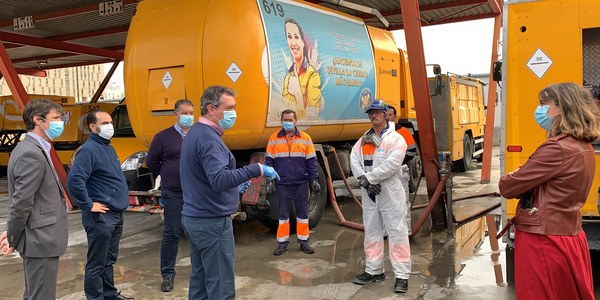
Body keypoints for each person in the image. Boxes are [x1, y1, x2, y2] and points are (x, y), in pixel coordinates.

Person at [498, 82, 600, 300]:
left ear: (562, 108)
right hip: (567, 233)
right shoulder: (583, 145)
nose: (540, 110)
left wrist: (519, 173)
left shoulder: (557, 148)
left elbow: (507, 186)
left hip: (544, 240)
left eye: (544, 104)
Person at [180, 85, 279, 299]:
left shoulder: (196, 132)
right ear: (211, 109)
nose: (234, 112)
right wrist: (257, 168)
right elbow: (218, 179)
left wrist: (234, 188)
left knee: (200, 282)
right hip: (211, 221)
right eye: (230, 107)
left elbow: (205, 178)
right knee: (221, 286)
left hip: (195, 218)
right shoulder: (207, 138)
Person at [0, 99, 68, 300]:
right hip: (41, 240)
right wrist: (12, 236)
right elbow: (21, 202)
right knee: (41, 296)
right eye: (55, 118)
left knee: (35, 294)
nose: (60, 123)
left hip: (41, 238)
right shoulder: (31, 153)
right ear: (37, 120)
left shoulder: (35, 149)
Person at [67, 110, 134, 300]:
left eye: (110, 122)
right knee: (97, 262)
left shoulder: (107, 147)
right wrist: (88, 204)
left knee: (108, 259)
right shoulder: (88, 150)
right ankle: (95, 297)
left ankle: (109, 294)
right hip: (101, 216)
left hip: (115, 213)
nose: (109, 126)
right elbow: (75, 180)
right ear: (92, 127)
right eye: (105, 123)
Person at [350, 99, 411, 293]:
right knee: (372, 231)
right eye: (371, 113)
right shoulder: (363, 139)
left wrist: (369, 179)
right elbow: (354, 160)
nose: (373, 116)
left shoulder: (396, 139)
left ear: (386, 114)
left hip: (389, 191)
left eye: (377, 112)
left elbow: (392, 165)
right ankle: (374, 270)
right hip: (369, 193)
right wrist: (365, 181)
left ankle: (402, 275)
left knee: (396, 231)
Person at [146, 99, 194, 292]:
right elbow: (152, 162)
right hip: (173, 192)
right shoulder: (163, 137)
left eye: (191, 113)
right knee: (172, 232)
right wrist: (169, 174)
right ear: (176, 114)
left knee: (198, 232)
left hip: (196, 193)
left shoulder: (198, 135)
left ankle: (203, 271)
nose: (189, 117)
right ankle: (167, 275)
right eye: (185, 113)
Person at [266, 109, 320, 256]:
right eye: (285, 120)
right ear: (281, 121)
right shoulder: (273, 138)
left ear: (296, 121)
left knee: (302, 214)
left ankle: (304, 242)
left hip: (300, 183)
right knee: (283, 215)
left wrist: (314, 180)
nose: (288, 122)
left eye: (290, 120)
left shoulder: (305, 138)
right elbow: (269, 162)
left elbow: (311, 162)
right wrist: (270, 181)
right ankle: (282, 244)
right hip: (282, 183)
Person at [282, 18, 322, 119]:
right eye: (289, 37)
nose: (293, 42)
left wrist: (298, 94)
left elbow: (312, 117)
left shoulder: (313, 74)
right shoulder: (288, 78)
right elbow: (284, 111)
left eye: (296, 37)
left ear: (303, 42)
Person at [387, 105, 417, 232]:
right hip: (385, 174)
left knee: (402, 202)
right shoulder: (377, 133)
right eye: (386, 114)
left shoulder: (404, 132)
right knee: (386, 204)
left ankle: (406, 230)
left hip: (401, 172)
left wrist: (396, 162)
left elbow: (411, 152)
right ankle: (386, 231)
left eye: (390, 114)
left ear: (395, 116)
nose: (388, 117)